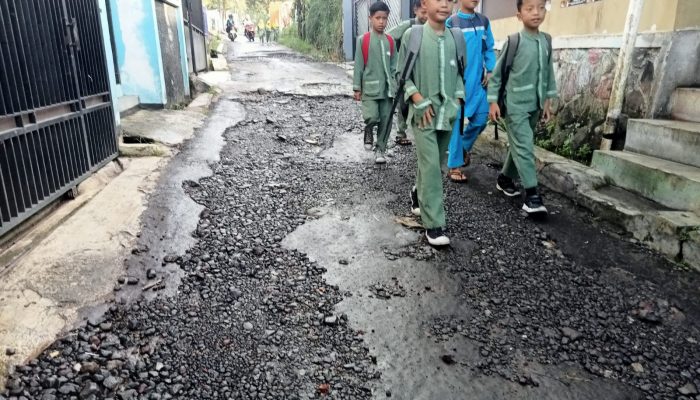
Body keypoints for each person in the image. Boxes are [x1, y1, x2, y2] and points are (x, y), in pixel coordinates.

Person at [398, 0, 465, 246]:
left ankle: (417, 192)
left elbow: (460, 73)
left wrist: (458, 99)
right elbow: (401, 75)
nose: (445, 5)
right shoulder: (412, 36)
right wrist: (417, 98)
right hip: (423, 114)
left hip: (447, 114)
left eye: (449, 0)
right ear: (425, 3)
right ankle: (434, 223)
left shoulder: (456, 38)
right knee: (432, 169)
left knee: (432, 162)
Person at [488, 0, 557, 215]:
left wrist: (547, 100)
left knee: (520, 144)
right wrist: (493, 102)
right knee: (525, 146)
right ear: (519, 14)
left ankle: (505, 178)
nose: (536, 13)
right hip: (515, 105)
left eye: (541, 7)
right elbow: (497, 76)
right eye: (529, 8)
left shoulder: (546, 40)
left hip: (535, 105)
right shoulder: (514, 41)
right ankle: (532, 196)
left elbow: (548, 73)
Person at [445, 0, 495, 183]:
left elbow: (489, 48)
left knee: (481, 119)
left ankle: (463, 148)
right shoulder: (451, 22)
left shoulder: (484, 21)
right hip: (458, 82)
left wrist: (490, 69)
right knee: (457, 125)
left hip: (478, 83)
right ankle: (454, 166)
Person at [352, 1, 397, 164]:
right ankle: (369, 128)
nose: (381, 22)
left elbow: (394, 66)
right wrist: (357, 87)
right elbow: (358, 65)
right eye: (378, 18)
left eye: (384, 18)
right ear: (370, 18)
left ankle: (380, 149)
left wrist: (395, 84)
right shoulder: (363, 40)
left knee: (386, 120)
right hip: (370, 89)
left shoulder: (391, 41)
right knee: (371, 116)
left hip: (387, 91)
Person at [386, 0, 428, 146]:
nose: (426, 16)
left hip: (423, 72)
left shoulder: (434, 28)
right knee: (403, 102)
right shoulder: (408, 26)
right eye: (423, 13)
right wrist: (396, 58)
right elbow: (388, 37)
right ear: (415, 10)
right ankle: (400, 133)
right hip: (406, 70)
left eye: (428, 12)